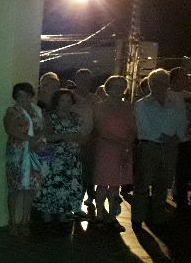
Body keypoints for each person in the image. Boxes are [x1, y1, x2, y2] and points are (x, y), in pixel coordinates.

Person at [132, 69, 188, 229]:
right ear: (151, 84)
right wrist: (164, 137)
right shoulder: (142, 104)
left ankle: (158, 216)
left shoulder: (176, 101)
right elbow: (144, 126)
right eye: (157, 82)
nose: (161, 86)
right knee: (143, 184)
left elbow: (182, 120)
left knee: (162, 185)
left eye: (164, 82)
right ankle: (138, 218)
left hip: (170, 148)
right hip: (150, 146)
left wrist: (178, 136)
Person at [33, 89, 84, 225]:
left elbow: (80, 135)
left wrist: (76, 140)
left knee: (67, 185)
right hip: (54, 156)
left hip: (71, 156)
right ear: (57, 101)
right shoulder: (49, 117)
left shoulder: (76, 117)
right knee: (50, 184)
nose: (65, 104)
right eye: (62, 100)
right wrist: (63, 136)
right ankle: (47, 215)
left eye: (68, 101)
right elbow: (45, 136)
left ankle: (63, 214)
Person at [92, 76, 136, 231]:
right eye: (115, 86)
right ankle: (99, 215)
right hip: (106, 148)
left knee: (115, 186)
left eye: (122, 86)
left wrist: (127, 145)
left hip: (123, 149)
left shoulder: (128, 106)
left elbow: (133, 128)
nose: (119, 89)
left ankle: (112, 217)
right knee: (103, 184)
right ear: (108, 88)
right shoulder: (100, 106)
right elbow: (101, 129)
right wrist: (122, 142)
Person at [3, 82, 44, 235]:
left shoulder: (37, 110)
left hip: (34, 153)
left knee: (31, 189)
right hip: (17, 154)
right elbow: (10, 129)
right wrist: (30, 139)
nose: (24, 99)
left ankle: (25, 220)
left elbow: (43, 129)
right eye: (20, 96)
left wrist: (38, 141)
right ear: (15, 97)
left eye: (27, 95)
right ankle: (13, 221)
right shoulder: (12, 111)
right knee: (15, 188)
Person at [73, 69, 100, 218]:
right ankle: (72, 205)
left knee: (87, 174)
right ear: (76, 80)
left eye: (88, 79)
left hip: (91, 142)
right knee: (75, 175)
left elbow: (99, 120)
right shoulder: (70, 97)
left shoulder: (96, 98)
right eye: (82, 79)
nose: (85, 82)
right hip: (72, 141)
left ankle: (78, 205)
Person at [169, 67, 191, 213]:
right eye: (183, 77)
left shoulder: (188, 96)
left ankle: (181, 198)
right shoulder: (165, 96)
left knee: (183, 171)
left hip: (185, 139)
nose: (186, 79)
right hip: (168, 139)